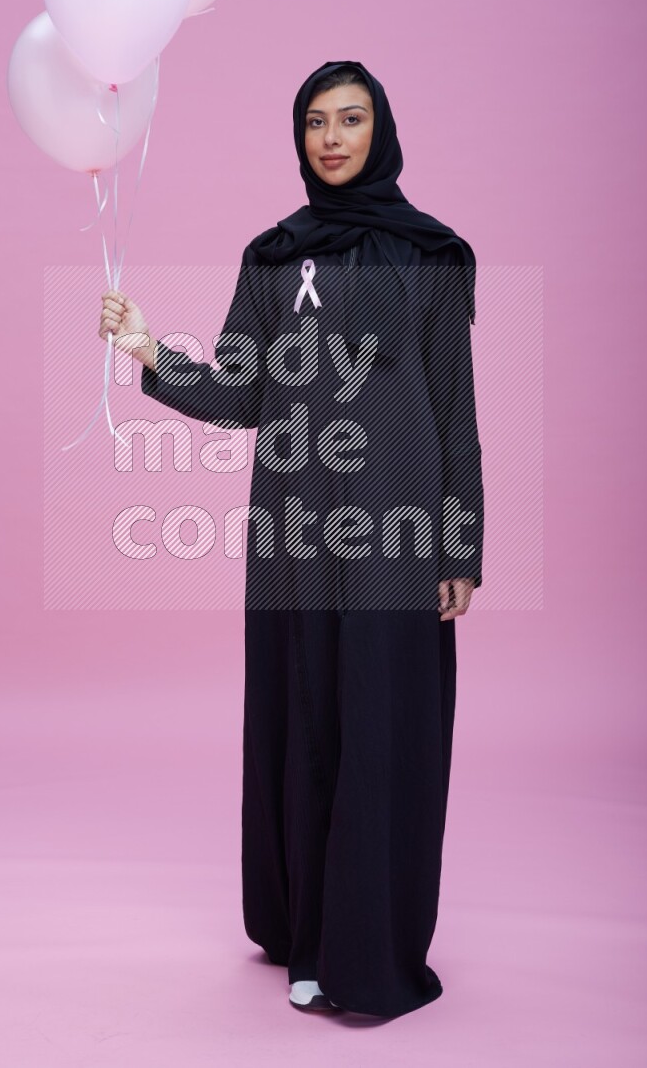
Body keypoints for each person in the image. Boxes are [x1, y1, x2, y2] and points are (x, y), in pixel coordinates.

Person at [98, 60, 484, 1020]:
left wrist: (460, 545)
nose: (332, 138)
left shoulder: (433, 254)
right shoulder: (273, 257)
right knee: (308, 724)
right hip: (296, 533)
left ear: (380, 129)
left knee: (384, 733)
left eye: (351, 119)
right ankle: (310, 936)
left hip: (398, 537)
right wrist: (150, 351)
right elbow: (242, 393)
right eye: (316, 122)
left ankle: (372, 951)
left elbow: (454, 403)